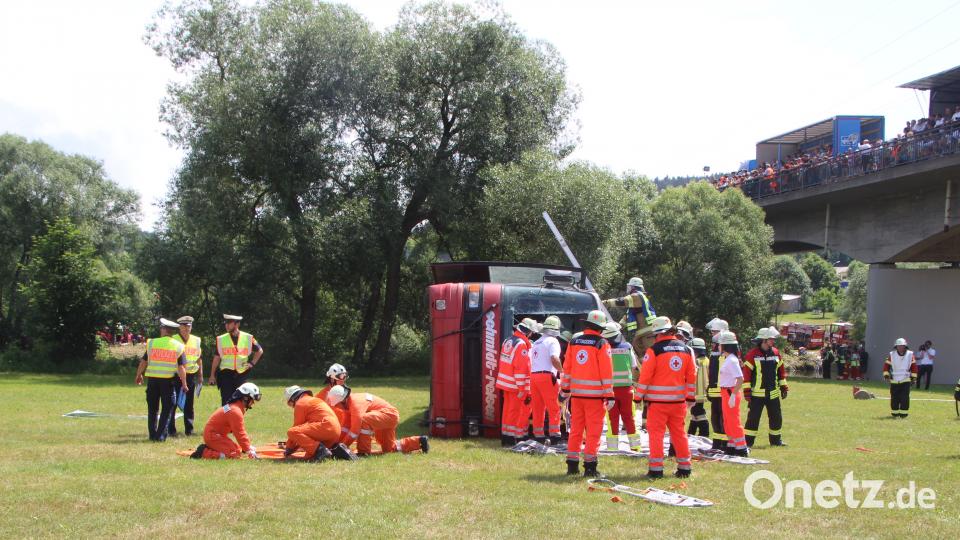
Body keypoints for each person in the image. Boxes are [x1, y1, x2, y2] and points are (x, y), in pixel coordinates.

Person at [635, 317, 696, 479]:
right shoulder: (687, 350)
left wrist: (638, 397)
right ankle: (684, 468)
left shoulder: (654, 351)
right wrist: (690, 397)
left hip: (658, 403)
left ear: (658, 334)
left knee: (656, 435)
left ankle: (656, 469)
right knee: (679, 434)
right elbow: (691, 376)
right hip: (678, 403)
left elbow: (645, 376)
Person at [560, 310, 614, 477]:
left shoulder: (574, 341)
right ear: (600, 328)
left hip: (576, 396)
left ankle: (572, 465)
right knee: (593, 432)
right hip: (595, 397)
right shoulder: (601, 343)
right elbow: (606, 372)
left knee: (575, 430)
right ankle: (590, 467)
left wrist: (565, 389)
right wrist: (609, 394)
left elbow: (567, 367)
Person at [326, 384, 428, 457]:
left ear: (342, 401)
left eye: (337, 405)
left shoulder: (356, 404)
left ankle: (363, 452)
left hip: (389, 415)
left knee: (363, 420)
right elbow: (346, 427)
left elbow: (355, 430)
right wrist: (335, 444)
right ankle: (419, 441)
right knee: (389, 449)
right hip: (384, 417)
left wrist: (343, 446)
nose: (338, 408)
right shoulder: (348, 404)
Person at [134, 318, 189, 442]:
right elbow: (181, 367)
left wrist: (138, 375)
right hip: (168, 382)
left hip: (152, 381)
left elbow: (144, 361)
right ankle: (160, 436)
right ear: (172, 331)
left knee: (152, 409)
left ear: (163, 330)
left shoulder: (152, 343)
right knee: (167, 409)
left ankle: (152, 435)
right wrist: (184, 384)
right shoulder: (178, 346)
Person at [743, 327, 788, 447]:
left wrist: (784, 387)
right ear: (764, 340)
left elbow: (781, 372)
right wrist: (747, 392)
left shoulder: (776, 353)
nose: (773, 341)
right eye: (771, 339)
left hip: (773, 393)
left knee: (776, 418)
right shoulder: (752, 355)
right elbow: (746, 376)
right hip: (757, 395)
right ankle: (747, 443)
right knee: (753, 419)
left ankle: (776, 441)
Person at [191, 382, 261, 459]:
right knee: (233, 454)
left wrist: (247, 447)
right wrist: (248, 449)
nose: (253, 403)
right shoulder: (235, 411)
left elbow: (238, 432)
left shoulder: (234, 408)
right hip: (213, 436)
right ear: (246, 398)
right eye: (252, 400)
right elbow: (240, 433)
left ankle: (210, 448)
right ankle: (204, 452)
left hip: (214, 435)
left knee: (237, 450)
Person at [495, 318, 536, 446]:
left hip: (505, 383)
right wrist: (523, 389)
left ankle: (505, 437)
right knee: (514, 412)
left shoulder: (508, 341)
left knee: (507, 411)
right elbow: (521, 369)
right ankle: (510, 440)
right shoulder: (521, 345)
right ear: (528, 332)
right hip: (514, 385)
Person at [208, 314, 264, 406]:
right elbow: (216, 358)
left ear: (237, 324)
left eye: (229, 323)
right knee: (226, 401)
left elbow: (260, 351)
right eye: (226, 323)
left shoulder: (248, 338)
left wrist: (252, 363)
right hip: (225, 374)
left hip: (241, 374)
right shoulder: (221, 339)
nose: (226, 325)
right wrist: (212, 375)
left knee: (241, 400)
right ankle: (225, 419)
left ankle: (238, 419)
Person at [602, 321, 640, 450]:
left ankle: (613, 447)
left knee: (612, 418)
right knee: (628, 417)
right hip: (627, 389)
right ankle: (635, 446)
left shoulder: (603, 349)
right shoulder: (627, 347)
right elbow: (634, 366)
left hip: (610, 390)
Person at [282, 385, 341, 462]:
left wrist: (289, 447)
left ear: (293, 398)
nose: (292, 407)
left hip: (326, 428)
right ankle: (330, 451)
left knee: (292, 431)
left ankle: (321, 450)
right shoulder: (312, 400)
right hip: (335, 431)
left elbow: (296, 428)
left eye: (290, 403)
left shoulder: (301, 403)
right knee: (309, 456)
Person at [529, 316, 564, 445]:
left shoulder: (537, 342)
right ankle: (555, 436)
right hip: (546, 376)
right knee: (554, 407)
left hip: (534, 377)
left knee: (538, 408)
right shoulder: (553, 341)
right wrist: (562, 371)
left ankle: (539, 436)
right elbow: (554, 358)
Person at [602, 277, 657, 352]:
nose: (628, 288)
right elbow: (628, 317)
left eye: (629, 286)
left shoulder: (637, 296)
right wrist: (618, 327)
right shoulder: (634, 304)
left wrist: (605, 302)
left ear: (633, 287)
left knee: (648, 354)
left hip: (648, 333)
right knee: (639, 355)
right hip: (643, 333)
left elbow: (622, 301)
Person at [716, 330, 748, 456]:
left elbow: (740, 379)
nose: (718, 346)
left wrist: (733, 395)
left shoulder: (732, 360)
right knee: (727, 421)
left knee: (733, 421)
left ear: (725, 345)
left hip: (730, 392)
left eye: (720, 344)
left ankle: (742, 448)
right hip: (726, 392)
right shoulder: (728, 359)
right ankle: (732, 445)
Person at [169, 315, 202, 437]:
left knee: (189, 403)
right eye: (184, 325)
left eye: (188, 325)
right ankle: (171, 429)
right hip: (175, 375)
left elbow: (199, 358)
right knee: (172, 402)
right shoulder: (173, 339)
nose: (186, 328)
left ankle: (189, 429)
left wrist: (200, 375)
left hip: (190, 375)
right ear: (179, 327)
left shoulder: (196, 340)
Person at [705, 317, 729, 451]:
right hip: (715, 387)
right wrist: (709, 386)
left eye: (714, 331)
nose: (712, 334)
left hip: (724, 388)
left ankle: (724, 443)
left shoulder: (729, 348)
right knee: (715, 415)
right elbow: (712, 368)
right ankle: (717, 442)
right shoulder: (715, 347)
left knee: (723, 416)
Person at [884, 338, 917, 418]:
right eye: (898, 346)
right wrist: (886, 376)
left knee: (904, 397)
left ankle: (903, 414)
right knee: (894, 397)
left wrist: (913, 378)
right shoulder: (892, 354)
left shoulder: (910, 354)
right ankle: (894, 413)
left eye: (902, 346)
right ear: (896, 347)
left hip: (906, 379)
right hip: (894, 380)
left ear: (905, 346)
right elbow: (886, 366)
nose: (900, 348)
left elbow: (914, 367)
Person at [687, 338, 710, 438]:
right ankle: (691, 432)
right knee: (695, 413)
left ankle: (704, 432)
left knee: (699, 413)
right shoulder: (706, 360)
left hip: (695, 393)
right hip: (703, 392)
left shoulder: (695, 361)